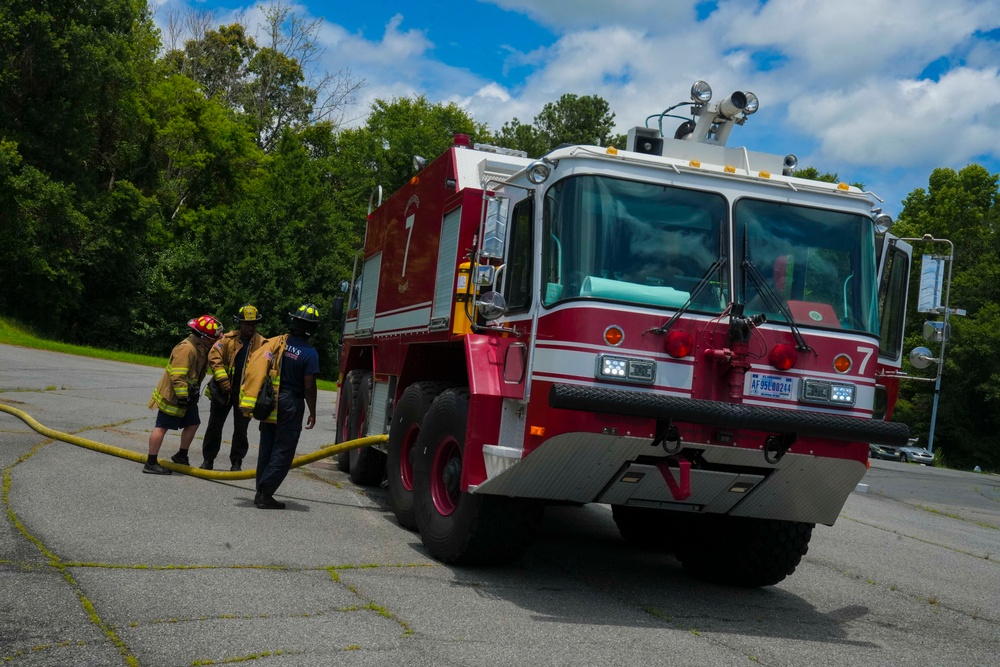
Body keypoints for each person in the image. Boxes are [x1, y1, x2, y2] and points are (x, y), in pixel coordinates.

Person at [242, 304, 320, 509]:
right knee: (284, 450)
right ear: (313, 328)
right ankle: (265, 493)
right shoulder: (310, 353)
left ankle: (261, 489)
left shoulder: (277, 343)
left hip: (271, 400)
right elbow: (309, 386)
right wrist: (312, 411)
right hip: (290, 403)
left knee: (267, 446)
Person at [143, 315, 223, 475]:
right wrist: (182, 397)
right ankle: (151, 463)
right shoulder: (186, 349)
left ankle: (181, 455)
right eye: (213, 338)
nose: (215, 341)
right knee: (162, 427)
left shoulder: (200, 347)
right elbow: (178, 376)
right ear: (204, 337)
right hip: (174, 396)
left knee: (193, 423)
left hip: (188, 396)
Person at [200, 304, 266, 471]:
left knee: (241, 430)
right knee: (214, 426)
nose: (250, 327)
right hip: (223, 392)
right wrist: (223, 381)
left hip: (245, 395)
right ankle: (208, 460)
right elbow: (214, 357)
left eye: (253, 324)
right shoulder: (227, 340)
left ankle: (236, 462)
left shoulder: (262, 344)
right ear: (240, 323)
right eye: (246, 324)